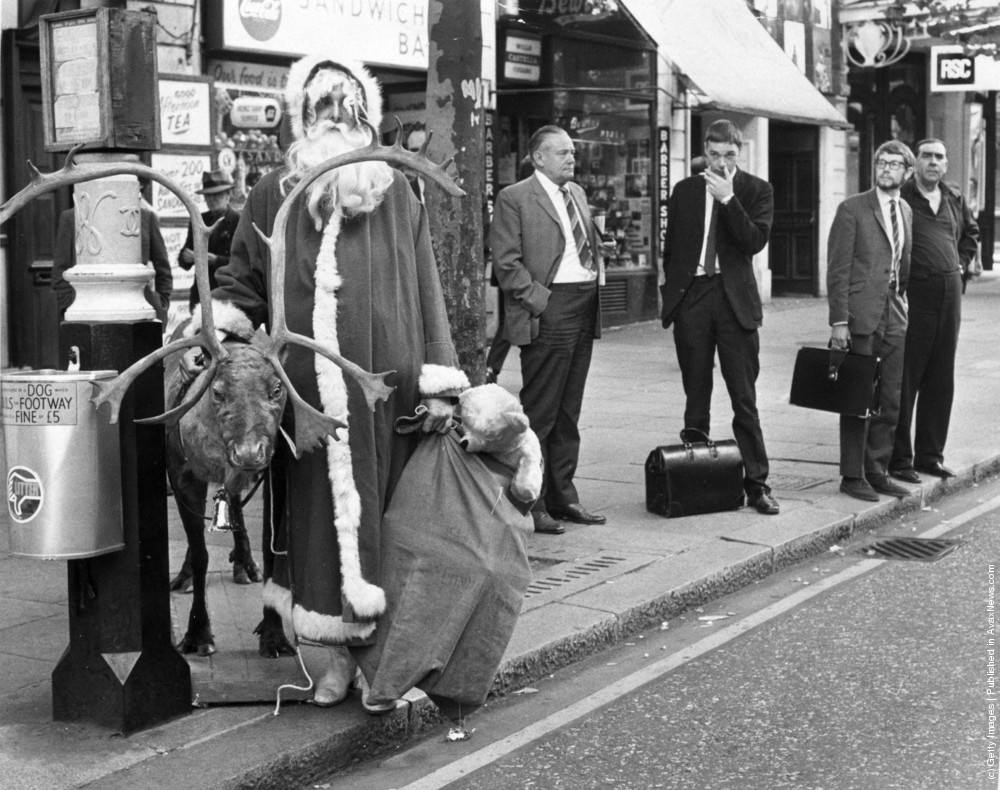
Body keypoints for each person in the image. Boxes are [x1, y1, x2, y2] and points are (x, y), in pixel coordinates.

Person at [195, 53, 467, 708]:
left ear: (366, 116)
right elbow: (240, 284)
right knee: (316, 531)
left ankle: (387, 659)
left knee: (393, 527)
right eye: (323, 106)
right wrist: (216, 333)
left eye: (349, 106)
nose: (337, 117)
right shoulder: (269, 193)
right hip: (309, 400)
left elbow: (428, 288)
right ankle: (330, 661)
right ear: (301, 117)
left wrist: (438, 374)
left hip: (392, 394)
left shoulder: (398, 188)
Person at [659, 119, 779, 515]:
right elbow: (672, 247)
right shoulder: (685, 190)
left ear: (739, 153)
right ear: (704, 153)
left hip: (734, 303)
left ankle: (757, 484)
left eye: (729, 154)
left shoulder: (757, 190)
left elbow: (753, 241)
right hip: (693, 296)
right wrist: (673, 295)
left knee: (744, 397)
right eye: (714, 154)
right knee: (696, 393)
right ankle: (697, 479)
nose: (721, 161)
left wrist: (729, 199)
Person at [490, 124, 606, 535]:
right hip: (548, 307)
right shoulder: (515, 197)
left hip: (584, 303)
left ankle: (564, 497)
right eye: (562, 153)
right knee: (541, 411)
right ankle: (531, 502)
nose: (572, 158)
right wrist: (540, 299)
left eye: (572, 152)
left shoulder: (576, 193)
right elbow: (505, 262)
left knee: (569, 411)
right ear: (539, 157)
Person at [827, 140, 914, 502]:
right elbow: (838, 269)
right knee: (857, 394)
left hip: (894, 311)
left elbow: (902, 260)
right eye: (882, 162)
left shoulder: (906, 209)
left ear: (906, 173)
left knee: (890, 395)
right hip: (861, 315)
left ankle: (877, 469)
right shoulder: (852, 209)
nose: (887, 169)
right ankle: (852, 475)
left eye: (894, 164)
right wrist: (838, 321)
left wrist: (903, 301)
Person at [889, 139, 979, 482]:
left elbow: (970, 234)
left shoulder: (953, 197)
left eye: (939, 157)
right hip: (915, 295)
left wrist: (961, 262)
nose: (932, 162)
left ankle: (930, 455)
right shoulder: (903, 196)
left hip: (950, 295)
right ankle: (900, 459)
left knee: (941, 378)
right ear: (916, 163)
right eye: (926, 156)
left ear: (946, 164)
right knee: (907, 377)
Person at [52, 198, 172, 323]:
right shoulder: (72, 217)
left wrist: (162, 302)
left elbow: (162, 266)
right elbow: (60, 270)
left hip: (138, 311)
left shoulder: (145, 217)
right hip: (87, 311)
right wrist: (69, 303)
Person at [485, 154, 534, 384]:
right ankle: (491, 367)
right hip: (514, 274)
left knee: (509, 321)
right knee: (508, 322)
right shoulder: (514, 198)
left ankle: (492, 367)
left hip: (517, 275)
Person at [178, 169, 241, 309]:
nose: (211, 200)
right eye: (208, 196)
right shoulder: (199, 220)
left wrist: (216, 260)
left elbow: (244, 262)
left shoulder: (239, 221)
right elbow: (183, 261)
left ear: (228, 195)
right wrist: (186, 257)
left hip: (228, 296)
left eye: (217, 195)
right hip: (201, 297)